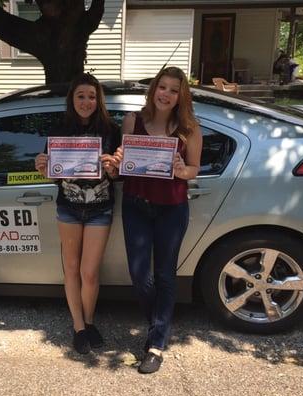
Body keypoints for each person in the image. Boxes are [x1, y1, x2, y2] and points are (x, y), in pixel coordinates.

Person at [111, 66, 202, 374]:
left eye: (173, 90)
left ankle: (155, 345)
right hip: (136, 204)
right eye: (161, 87)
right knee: (139, 275)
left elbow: (194, 170)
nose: (165, 94)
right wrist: (118, 160)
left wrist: (181, 169)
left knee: (165, 275)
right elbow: (123, 167)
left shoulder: (188, 128)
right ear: (153, 90)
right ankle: (159, 324)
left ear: (181, 96)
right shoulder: (132, 121)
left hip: (172, 208)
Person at [35, 73, 120, 354]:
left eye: (92, 96)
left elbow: (120, 174)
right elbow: (54, 175)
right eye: (81, 96)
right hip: (68, 207)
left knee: (90, 272)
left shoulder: (111, 130)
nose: (86, 102)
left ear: (99, 100)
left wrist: (113, 168)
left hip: (100, 208)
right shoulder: (59, 129)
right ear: (72, 99)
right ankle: (78, 327)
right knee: (71, 269)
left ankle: (91, 320)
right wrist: (43, 166)